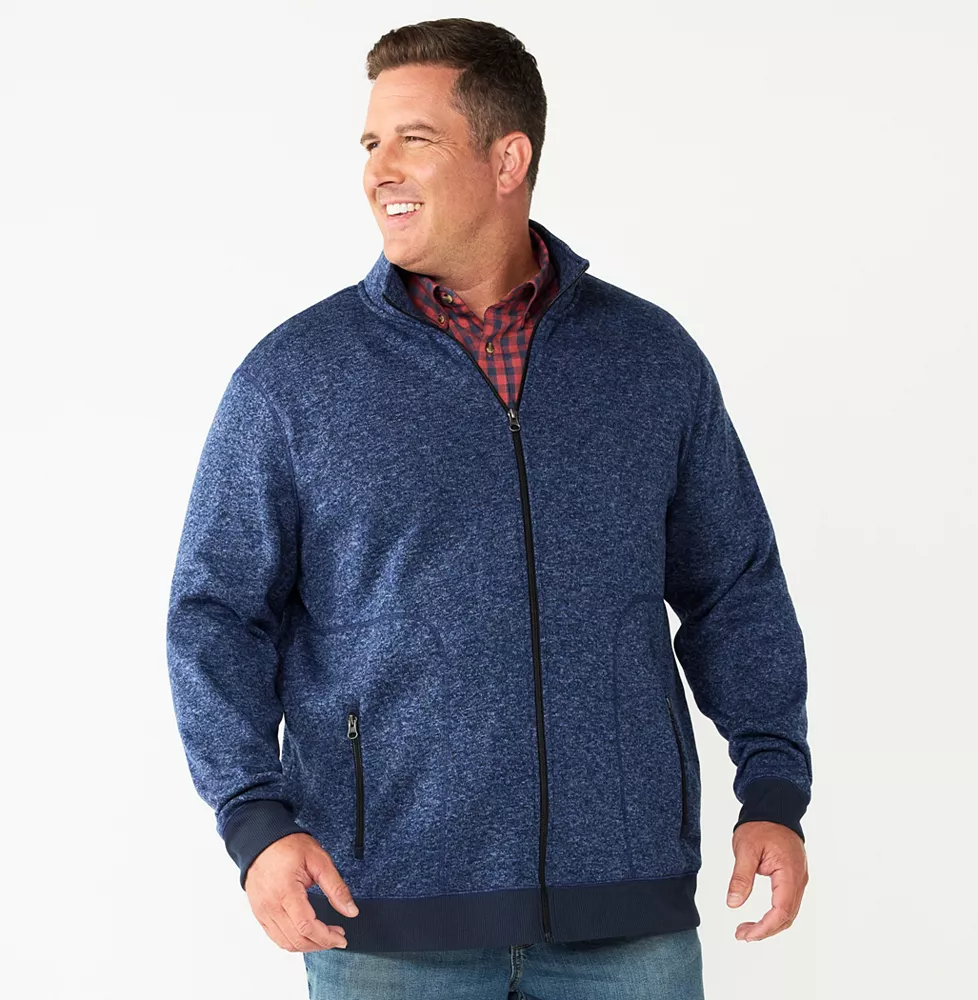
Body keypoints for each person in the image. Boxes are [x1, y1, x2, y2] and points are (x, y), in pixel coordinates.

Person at [166, 17, 811, 999]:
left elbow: (735, 588)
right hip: (385, 916)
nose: (379, 168)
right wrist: (254, 820)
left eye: (413, 139)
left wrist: (772, 788)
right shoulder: (294, 381)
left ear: (507, 159)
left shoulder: (648, 361)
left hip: (624, 909)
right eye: (370, 142)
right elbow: (215, 614)